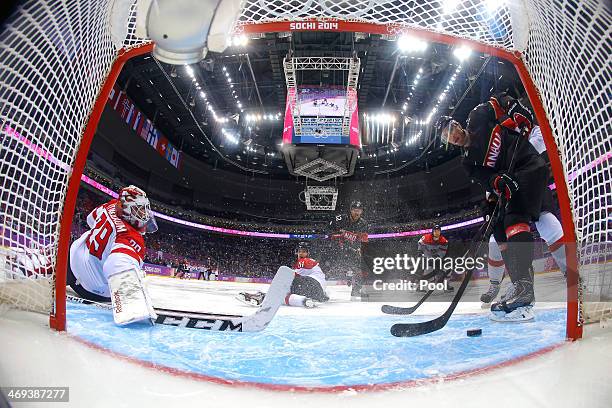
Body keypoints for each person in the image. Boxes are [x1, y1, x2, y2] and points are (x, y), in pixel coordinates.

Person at [437, 92, 549, 322]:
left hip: (527, 163)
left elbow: (498, 100)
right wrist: (498, 181)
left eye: (451, 130)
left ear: (457, 124)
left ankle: (524, 291)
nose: (452, 136)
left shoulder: (477, 115)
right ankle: (520, 284)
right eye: (447, 137)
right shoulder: (468, 163)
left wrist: (515, 108)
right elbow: (487, 179)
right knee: (501, 228)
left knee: (514, 219)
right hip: (515, 180)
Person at [68, 185, 158, 325]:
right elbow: (116, 264)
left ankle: (42, 267)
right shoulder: (131, 236)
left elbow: (90, 219)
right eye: (139, 209)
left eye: (144, 208)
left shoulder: (110, 206)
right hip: (92, 291)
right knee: (133, 269)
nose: (144, 214)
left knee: (80, 242)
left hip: (71, 264)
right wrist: (134, 308)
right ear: (127, 209)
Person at [237, 242, 329, 308]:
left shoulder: (304, 261)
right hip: (317, 293)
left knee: (282, 284)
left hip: (311, 284)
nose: (301, 253)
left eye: (303, 251)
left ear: (308, 253)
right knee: (283, 294)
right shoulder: (311, 265)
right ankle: (304, 301)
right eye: (299, 251)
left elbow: (292, 276)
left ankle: (262, 296)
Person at [328, 200, 369, 300]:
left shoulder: (364, 223)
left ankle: (356, 290)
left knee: (362, 268)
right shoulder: (341, 218)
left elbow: (364, 239)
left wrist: (359, 247)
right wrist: (339, 235)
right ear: (350, 210)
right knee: (328, 266)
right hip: (336, 247)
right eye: (355, 210)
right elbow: (329, 229)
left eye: (359, 210)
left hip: (352, 249)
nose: (357, 212)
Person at [417, 224, 453, 292]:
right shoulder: (426, 237)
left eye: (438, 231)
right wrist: (419, 251)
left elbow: (443, 252)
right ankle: (420, 287)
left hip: (438, 258)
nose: (437, 232)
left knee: (448, 269)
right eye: (435, 231)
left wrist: (438, 257)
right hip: (428, 256)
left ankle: (446, 285)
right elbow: (420, 243)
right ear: (433, 231)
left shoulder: (444, 241)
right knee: (428, 272)